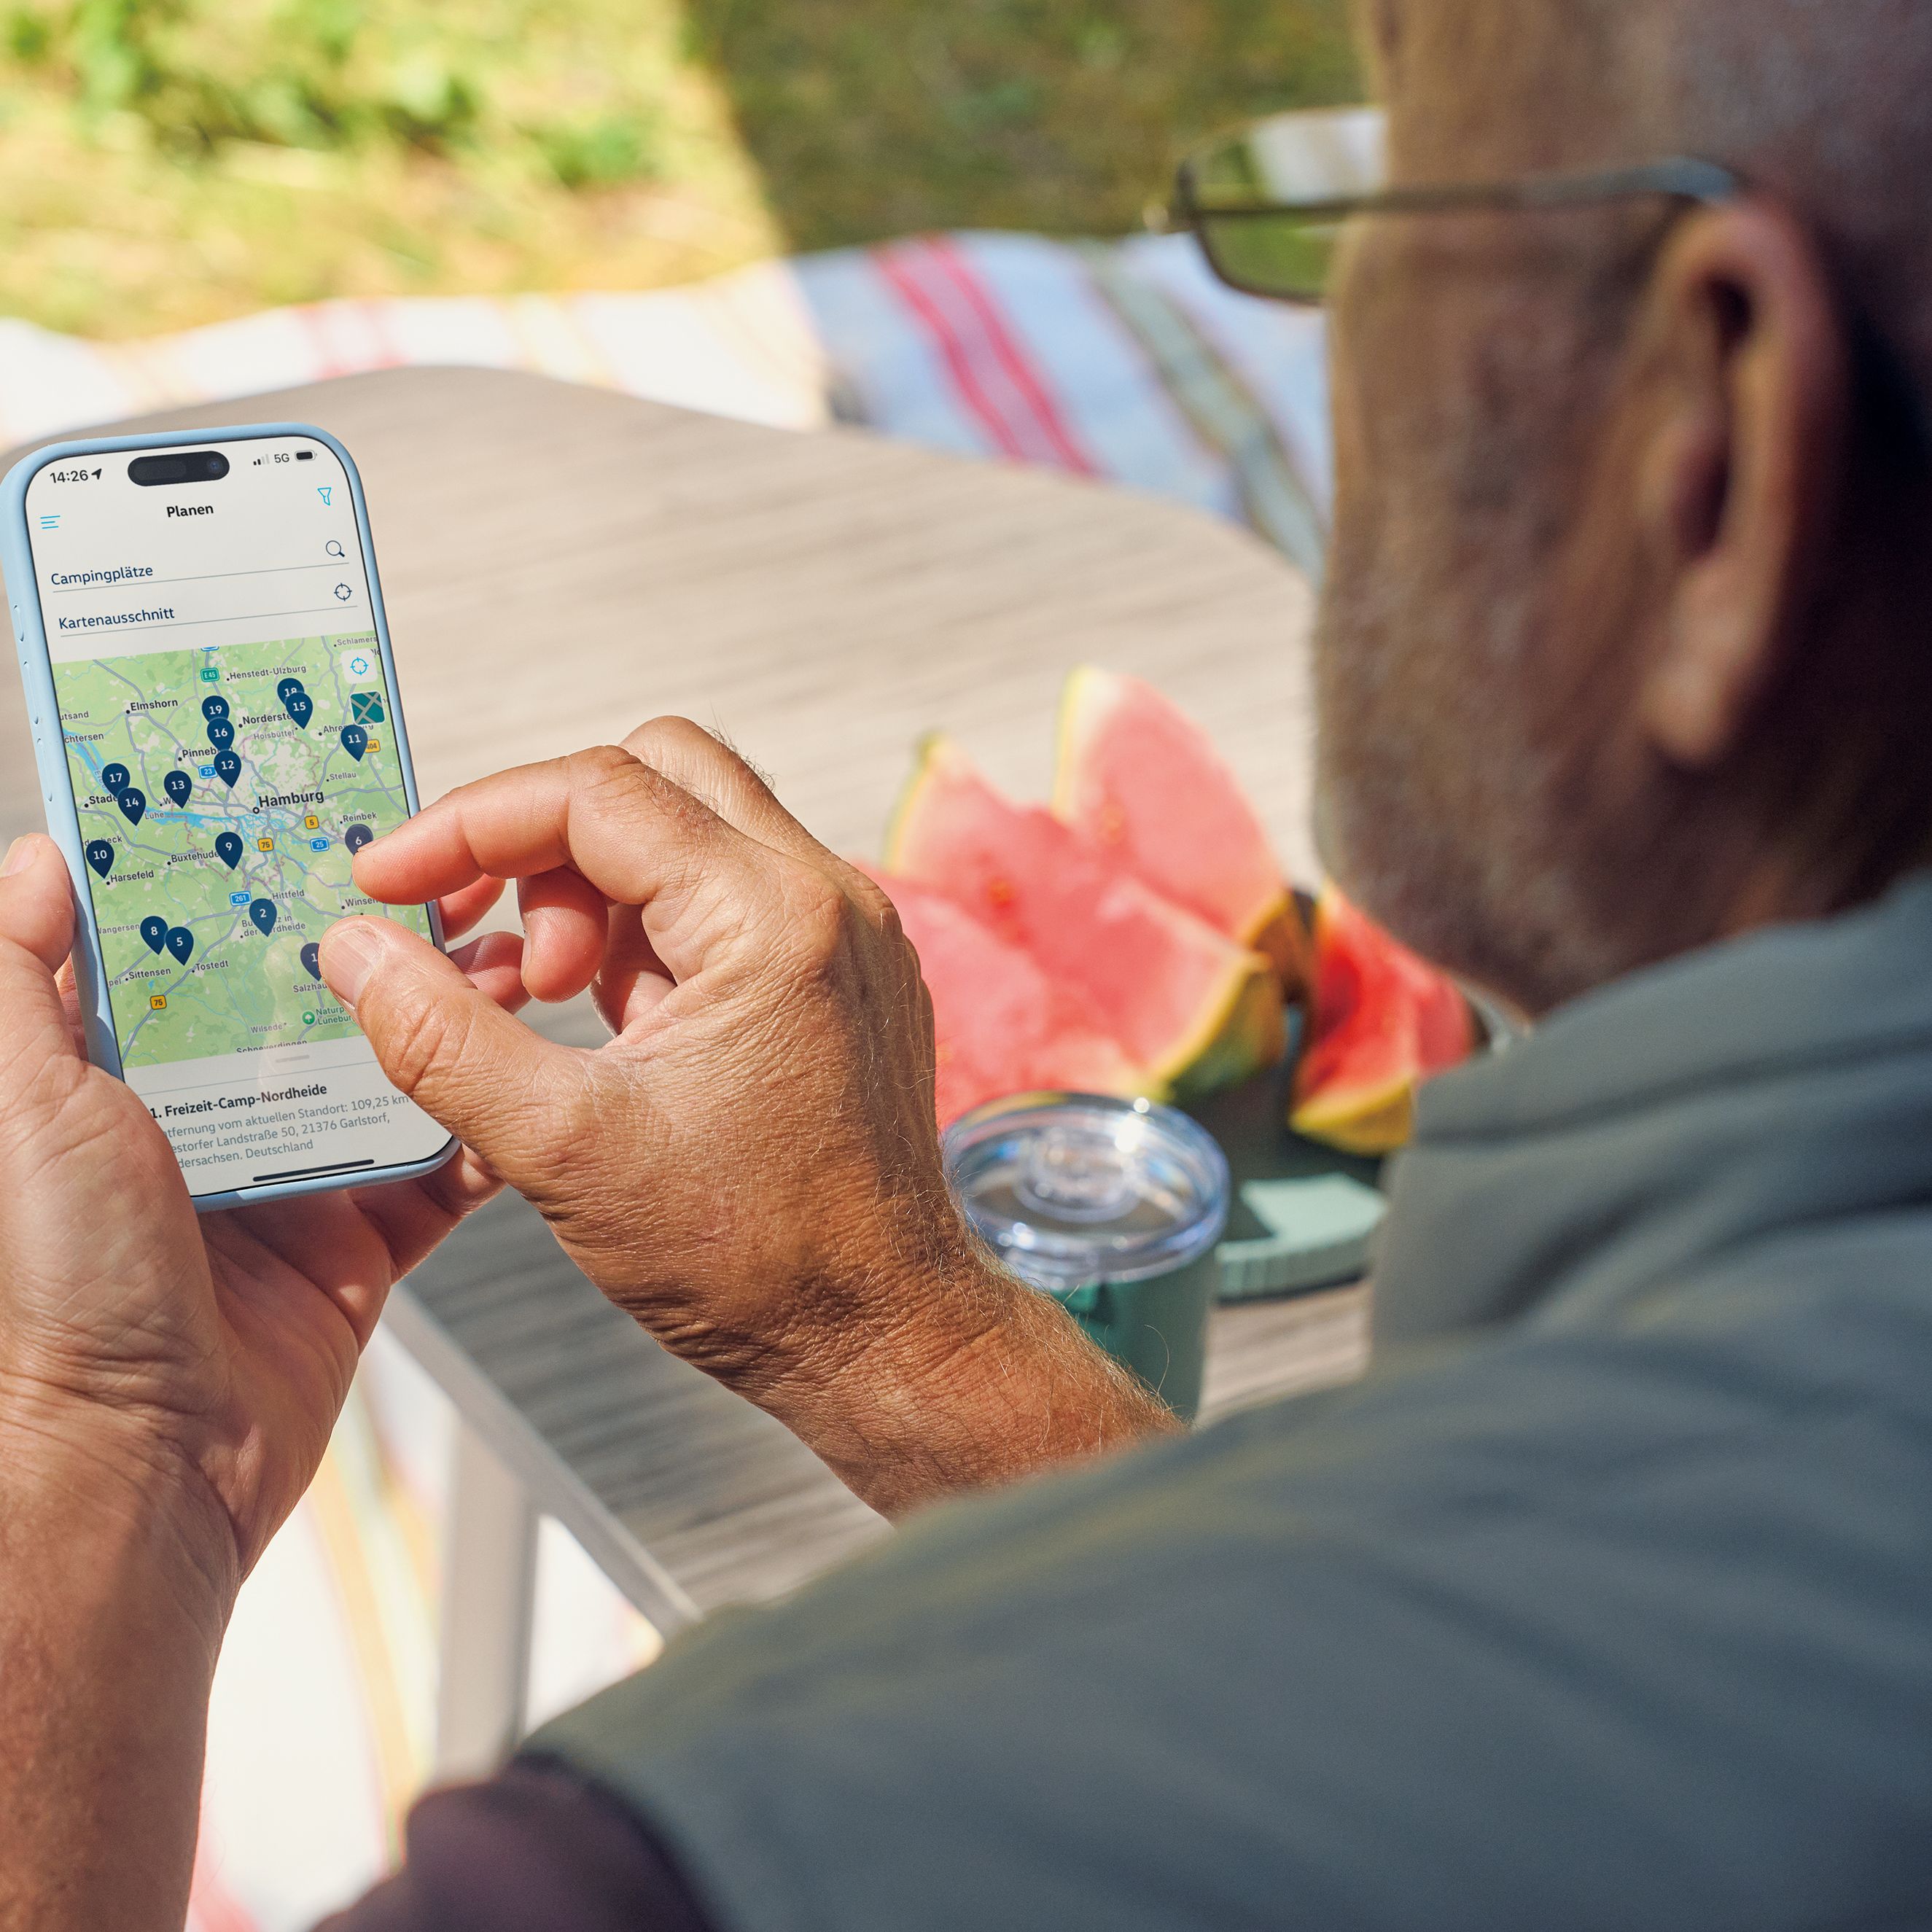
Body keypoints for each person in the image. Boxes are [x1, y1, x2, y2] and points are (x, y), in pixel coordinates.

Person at [7, 0, 1932, 1924]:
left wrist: (114, 1455)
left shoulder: (708, 1856)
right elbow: (1476, 1758)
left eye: (1377, 205)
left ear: (1712, 455)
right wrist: (883, 1322)